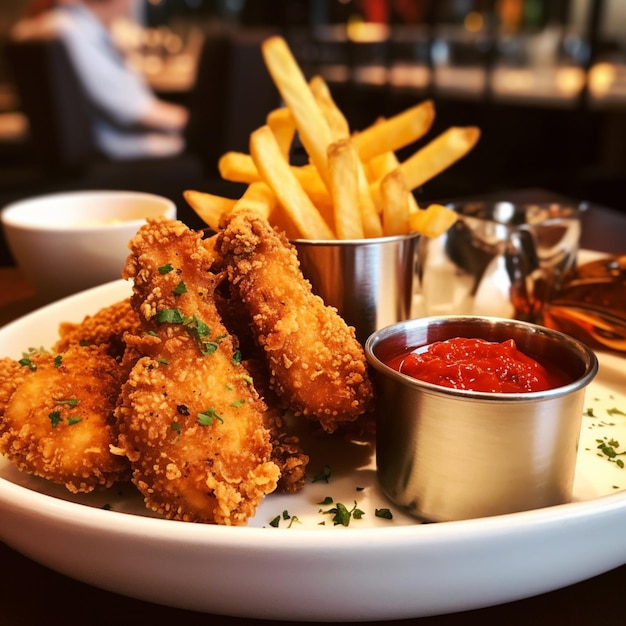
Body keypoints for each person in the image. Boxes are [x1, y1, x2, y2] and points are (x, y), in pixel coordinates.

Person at [11, 0, 189, 160]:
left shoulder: (86, 28)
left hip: (104, 146)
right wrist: (194, 120)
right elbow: (130, 110)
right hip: (114, 148)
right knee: (188, 141)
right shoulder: (71, 29)